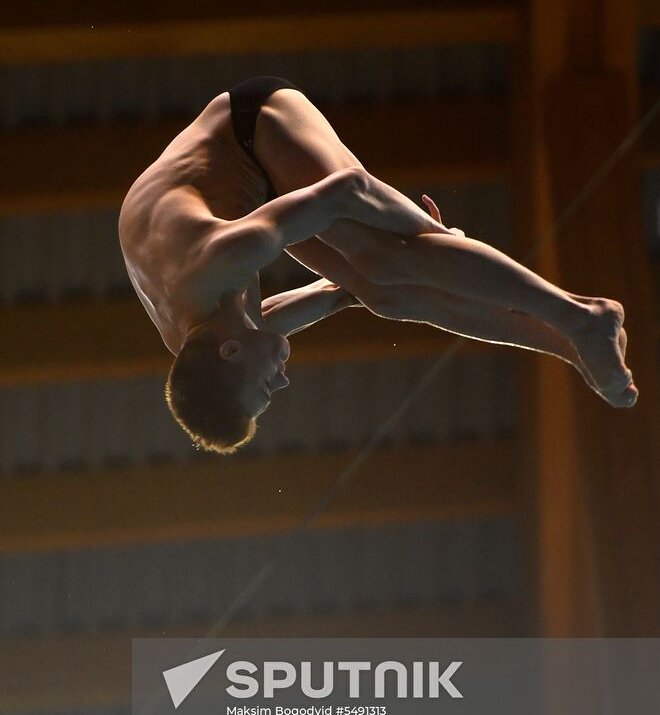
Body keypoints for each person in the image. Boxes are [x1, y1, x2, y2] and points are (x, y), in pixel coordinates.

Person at [118, 75, 637, 455]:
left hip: (252, 128)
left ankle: (581, 316)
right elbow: (323, 298)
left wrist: (428, 234)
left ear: (230, 352)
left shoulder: (219, 260)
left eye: (264, 388)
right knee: (385, 295)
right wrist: (355, 289)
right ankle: (568, 346)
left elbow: (349, 191)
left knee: (384, 259)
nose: (281, 384)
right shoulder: (198, 336)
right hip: (250, 194)